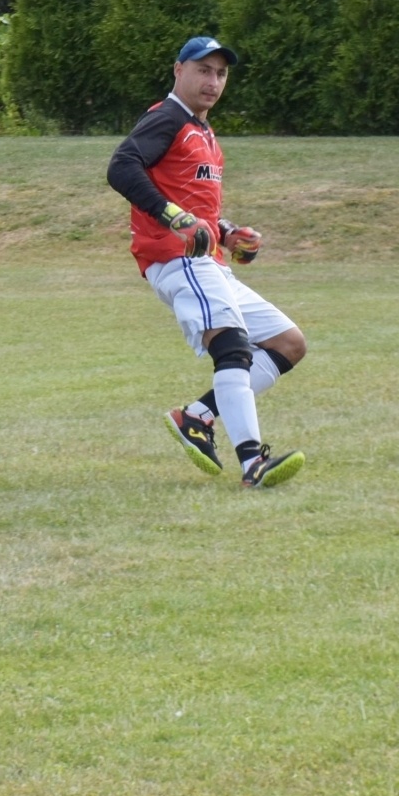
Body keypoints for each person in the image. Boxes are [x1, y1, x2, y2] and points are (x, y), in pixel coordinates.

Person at [106, 36, 308, 489]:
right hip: (177, 259)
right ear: (178, 70)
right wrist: (172, 216)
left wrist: (229, 233)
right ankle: (252, 462)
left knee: (288, 342)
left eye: (220, 73)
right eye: (203, 69)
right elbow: (122, 166)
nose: (212, 81)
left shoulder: (204, 132)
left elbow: (197, 206)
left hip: (210, 260)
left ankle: (196, 416)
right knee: (232, 349)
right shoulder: (168, 117)